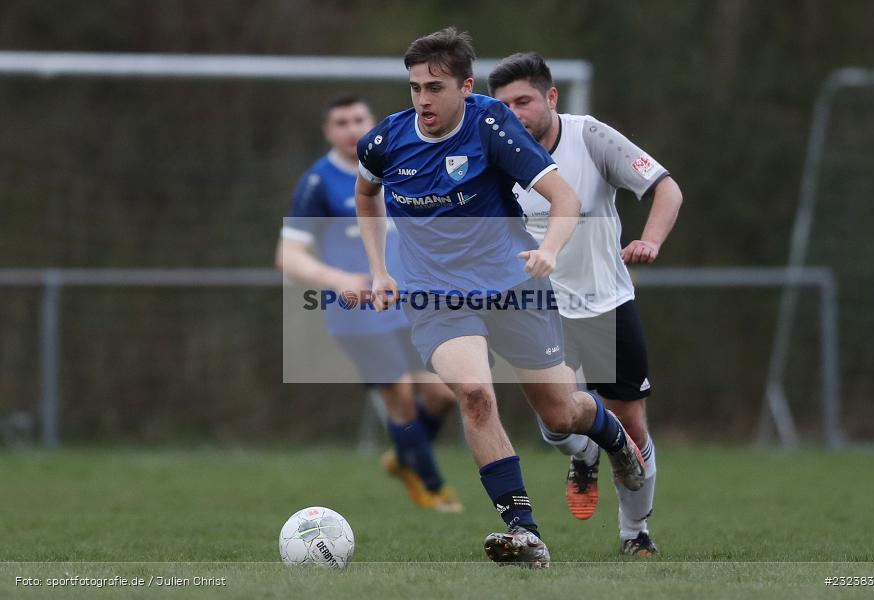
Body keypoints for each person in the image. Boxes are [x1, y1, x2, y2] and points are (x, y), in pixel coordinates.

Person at [354, 28, 646, 568]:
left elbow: (564, 197)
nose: (422, 100)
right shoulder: (385, 140)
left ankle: (615, 439)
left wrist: (550, 251)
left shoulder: (491, 124)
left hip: (512, 287)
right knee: (474, 393)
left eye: (434, 87)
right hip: (436, 296)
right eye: (414, 87)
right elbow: (365, 192)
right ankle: (524, 531)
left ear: (466, 87)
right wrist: (378, 270)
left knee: (563, 413)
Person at [489, 52, 683, 556]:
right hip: (537, 310)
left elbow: (667, 189)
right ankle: (584, 453)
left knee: (633, 428)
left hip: (604, 305)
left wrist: (651, 241)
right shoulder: (491, 150)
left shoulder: (589, 136)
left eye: (524, 101)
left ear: (551, 97)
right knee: (556, 420)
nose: (515, 114)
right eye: (504, 106)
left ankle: (634, 533)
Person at [276, 94, 461, 513]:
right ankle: (433, 489)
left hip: (409, 303)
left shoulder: (399, 164)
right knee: (400, 394)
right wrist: (340, 280)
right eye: (340, 122)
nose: (351, 129)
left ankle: (404, 457)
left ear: (372, 122)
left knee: (443, 394)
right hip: (356, 312)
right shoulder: (318, 182)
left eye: (358, 119)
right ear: (328, 132)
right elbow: (287, 255)